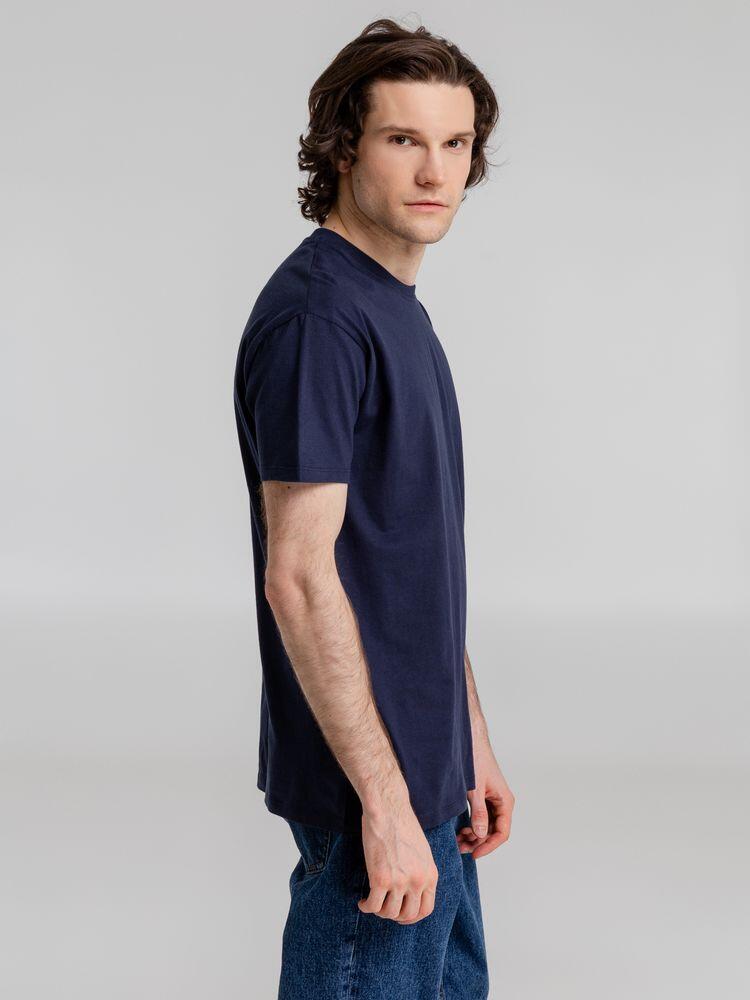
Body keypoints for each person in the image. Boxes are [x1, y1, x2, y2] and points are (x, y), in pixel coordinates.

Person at [233, 18, 515, 999]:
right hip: (373, 793)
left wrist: (468, 742)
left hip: (427, 776)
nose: (436, 170)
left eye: (456, 142)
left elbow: (408, 563)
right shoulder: (321, 319)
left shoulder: (394, 307)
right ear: (344, 148)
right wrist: (386, 804)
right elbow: (299, 576)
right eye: (404, 139)